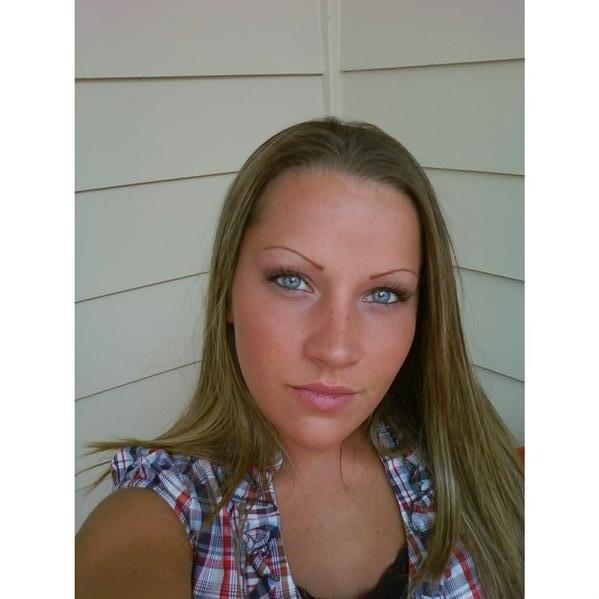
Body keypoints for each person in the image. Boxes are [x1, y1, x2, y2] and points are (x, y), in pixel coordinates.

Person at [75, 117, 524, 598]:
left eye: (385, 294)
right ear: (227, 294)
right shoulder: (160, 509)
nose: (336, 349)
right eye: (292, 281)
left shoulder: (465, 460)